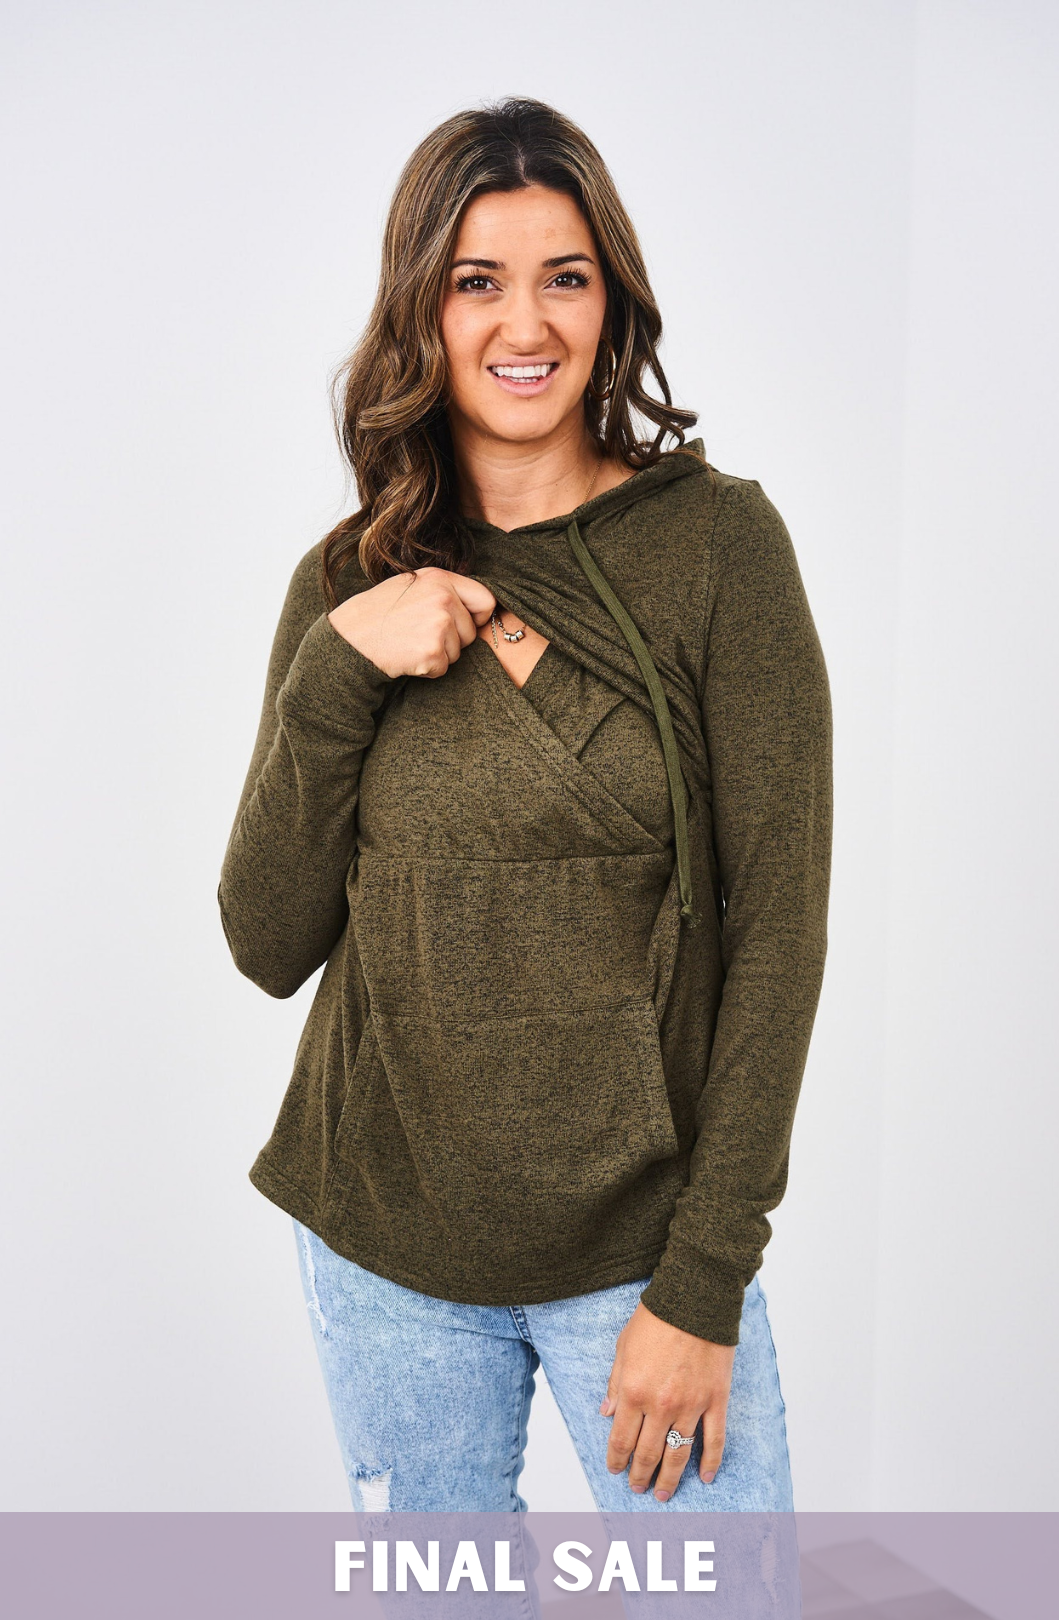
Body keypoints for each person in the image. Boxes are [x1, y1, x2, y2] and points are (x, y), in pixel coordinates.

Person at [217, 97, 832, 1516]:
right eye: (477, 281)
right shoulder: (344, 585)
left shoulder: (719, 547)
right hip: (382, 1252)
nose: (525, 323)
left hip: (645, 1259)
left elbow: (779, 936)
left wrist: (704, 1281)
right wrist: (340, 668)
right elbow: (265, 940)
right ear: (421, 311)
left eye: (565, 276)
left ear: (611, 302)